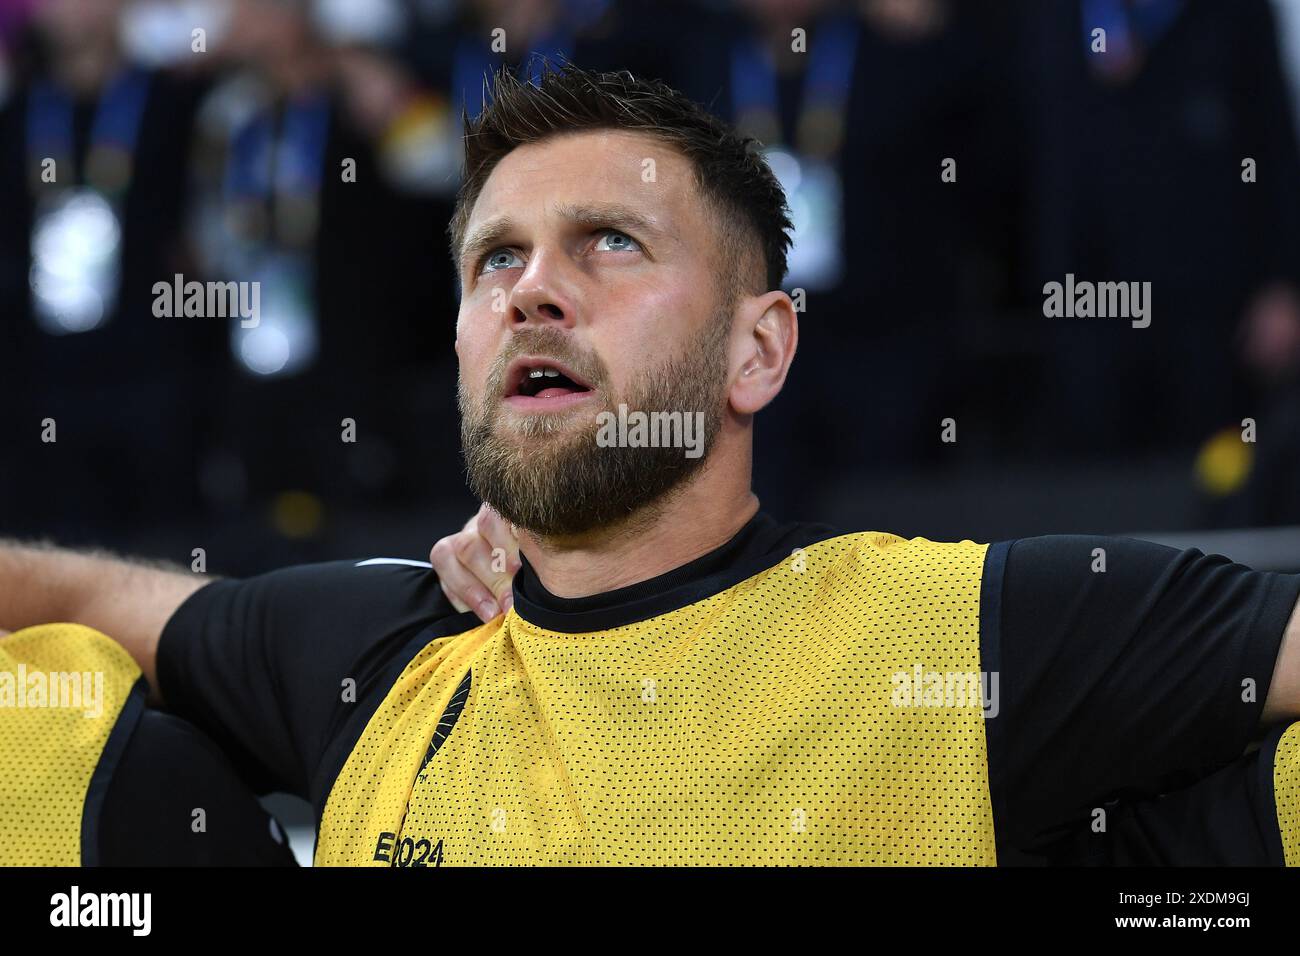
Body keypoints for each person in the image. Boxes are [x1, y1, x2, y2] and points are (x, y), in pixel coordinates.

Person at [2, 62, 1300, 866]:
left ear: (759, 349)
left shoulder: (955, 633)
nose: (531, 290)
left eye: (608, 242)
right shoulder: (373, 642)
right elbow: (85, 603)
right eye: (493, 259)